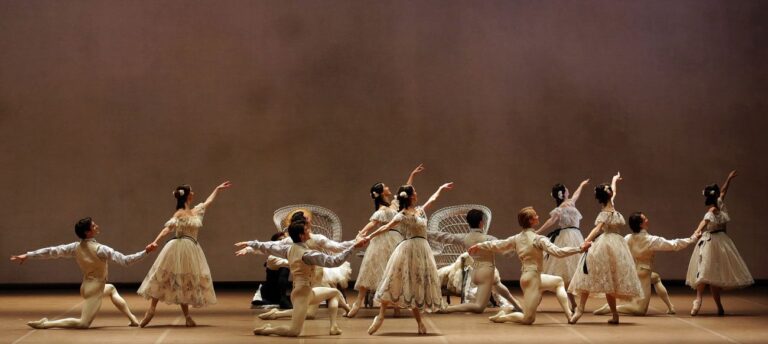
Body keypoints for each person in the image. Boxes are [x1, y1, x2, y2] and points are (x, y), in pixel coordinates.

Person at [10, 217, 154, 329]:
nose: (96, 226)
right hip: (94, 289)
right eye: (93, 225)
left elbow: (51, 251)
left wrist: (28, 255)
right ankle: (46, 324)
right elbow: (126, 261)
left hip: (86, 286)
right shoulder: (101, 249)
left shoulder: (75, 247)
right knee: (83, 324)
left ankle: (133, 319)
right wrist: (145, 251)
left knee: (111, 289)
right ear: (88, 232)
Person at [237, 219, 366, 336]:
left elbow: (268, 247)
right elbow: (333, 261)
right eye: (306, 230)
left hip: (307, 291)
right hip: (302, 293)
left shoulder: (289, 249)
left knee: (334, 292)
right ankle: (268, 329)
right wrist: (353, 247)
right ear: (301, 235)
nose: (309, 231)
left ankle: (334, 327)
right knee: (294, 331)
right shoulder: (307, 254)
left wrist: (250, 243)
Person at [468, 207, 586, 324]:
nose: (538, 216)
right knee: (528, 319)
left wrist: (479, 245)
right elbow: (558, 252)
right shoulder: (538, 239)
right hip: (532, 279)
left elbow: (498, 244)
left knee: (558, 281)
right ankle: (503, 317)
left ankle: (569, 315)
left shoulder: (517, 238)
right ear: (530, 220)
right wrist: (579, 249)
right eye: (535, 215)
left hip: (533, 276)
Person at [137, 181, 232, 327]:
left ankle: (187, 317)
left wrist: (217, 189)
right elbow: (167, 229)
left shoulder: (196, 210)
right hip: (178, 246)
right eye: (191, 191)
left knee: (185, 281)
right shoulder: (180, 213)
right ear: (187, 196)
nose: (193, 193)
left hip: (191, 248)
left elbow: (208, 201)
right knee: (164, 276)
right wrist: (155, 241)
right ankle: (151, 309)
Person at [364, 182, 453, 335]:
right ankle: (381, 315)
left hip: (422, 250)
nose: (417, 193)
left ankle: (419, 323)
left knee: (415, 284)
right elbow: (386, 227)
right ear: (411, 196)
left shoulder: (419, 211)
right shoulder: (402, 215)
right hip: (407, 249)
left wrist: (440, 188)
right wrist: (368, 236)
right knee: (394, 281)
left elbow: (432, 200)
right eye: (415, 191)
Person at [349, 164, 423, 318]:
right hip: (381, 241)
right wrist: (362, 233)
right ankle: (357, 303)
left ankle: (396, 304)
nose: (389, 188)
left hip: (395, 240)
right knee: (370, 269)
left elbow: (405, 190)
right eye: (386, 187)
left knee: (395, 271)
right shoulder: (382, 210)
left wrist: (412, 175)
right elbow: (373, 223)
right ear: (382, 193)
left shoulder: (394, 204)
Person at [568, 172, 643, 325]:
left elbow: (614, 191)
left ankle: (615, 315)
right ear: (607, 195)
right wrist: (586, 241)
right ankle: (579, 310)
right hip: (606, 244)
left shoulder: (612, 205)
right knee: (588, 276)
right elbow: (597, 230)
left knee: (611, 282)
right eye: (609, 190)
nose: (612, 192)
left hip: (615, 245)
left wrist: (614, 180)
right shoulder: (604, 213)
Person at [593, 212, 698, 316]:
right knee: (640, 310)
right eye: (645, 219)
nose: (647, 220)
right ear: (640, 224)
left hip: (634, 271)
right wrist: (691, 239)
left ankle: (670, 307)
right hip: (643, 273)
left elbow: (617, 250)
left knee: (656, 278)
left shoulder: (628, 238)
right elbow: (673, 244)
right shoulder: (650, 240)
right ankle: (612, 308)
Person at [427, 209, 522, 313]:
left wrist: (424, 232)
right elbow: (507, 253)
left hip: (474, 271)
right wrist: (518, 246)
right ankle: (447, 309)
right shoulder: (489, 238)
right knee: (479, 307)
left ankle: (516, 305)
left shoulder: (465, 238)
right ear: (481, 223)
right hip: (486, 271)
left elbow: (443, 236)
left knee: (497, 283)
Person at [686, 170, 753, 316]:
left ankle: (717, 306)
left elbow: (723, 191)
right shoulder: (713, 209)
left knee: (713, 275)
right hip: (713, 241)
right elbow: (703, 222)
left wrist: (728, 179)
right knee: (705, 271)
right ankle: (698, 300)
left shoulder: (719, 204)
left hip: (718, 242)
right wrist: (696, 232)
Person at [535, 179, 589, 310]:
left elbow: (576, 194)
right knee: (566, 270)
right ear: (563, 193)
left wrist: (581, 185)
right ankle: (573, 303)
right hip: (567, 236)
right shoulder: (559, 209)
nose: (569, 191)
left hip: (575, 235)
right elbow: (551, 221)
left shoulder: (570, 202)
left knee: (572, 270)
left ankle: (575, 303)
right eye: (566, 189)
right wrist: (538, 231)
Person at [237, 232, 292, 309]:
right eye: (280, 240)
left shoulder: (287, 251)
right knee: (285, 267)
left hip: (278, 293)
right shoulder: (273, 256)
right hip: (269, 293)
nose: (282, 241)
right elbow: (261, 248)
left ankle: (283, 298)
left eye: (284, 239)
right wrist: (247, 249)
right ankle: (282, 299)